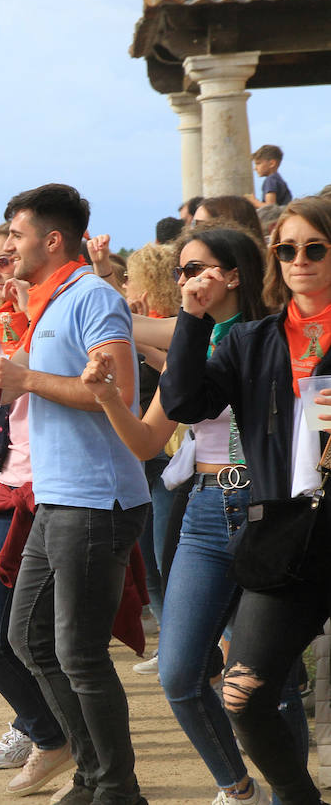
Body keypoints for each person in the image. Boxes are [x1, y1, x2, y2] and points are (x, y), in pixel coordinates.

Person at [83, 225, 279, 805]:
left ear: (235, 274)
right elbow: (147, 434)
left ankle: (288, 792)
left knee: (270, 678)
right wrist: (108, 395)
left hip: (269, 509)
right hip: (204, 508)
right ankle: (235, 786)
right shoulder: (191, 334)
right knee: (179, 675)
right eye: (181, 272)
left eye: (198, 269)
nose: (187, 281)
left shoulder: (274, 335)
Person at [0, 183, 151, 805]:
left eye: (17, 236)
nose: (9, 247)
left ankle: (116, 787)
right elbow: (18, 383)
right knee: (29, 638)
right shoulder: (50, 301)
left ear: (52, 240)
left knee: (77, 652)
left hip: (96, 499)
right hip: (58, 496)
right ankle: (93, 775)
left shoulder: (93, 297)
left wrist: (27, 378)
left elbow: (120, 396)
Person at [160, 197, 331, 805]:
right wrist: (192, 318)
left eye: (315, 248)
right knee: (245, 694)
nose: (300, 260)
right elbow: (184, 405)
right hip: (283, 539)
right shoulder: (255, 340)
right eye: (287, 249)